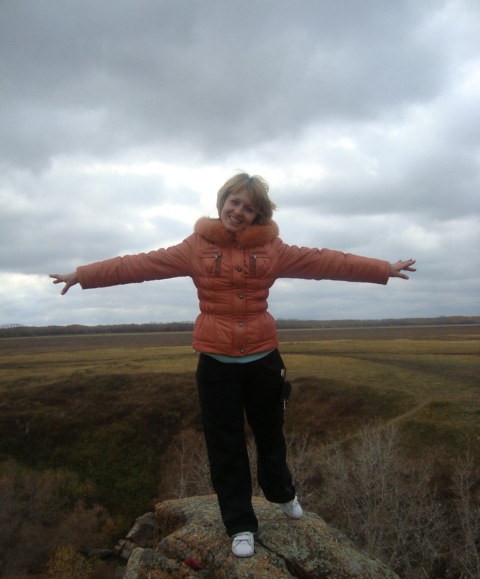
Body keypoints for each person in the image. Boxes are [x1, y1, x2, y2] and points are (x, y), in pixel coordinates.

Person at [50, 172, 416, 558]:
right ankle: (240, 524)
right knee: (225, 445)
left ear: (258, 215)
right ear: (222, 201)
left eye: (249, 208)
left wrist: (383, 268)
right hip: (216, 364)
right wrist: (83, 275)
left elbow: (326, 262)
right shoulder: (195, 247)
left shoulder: (273, 249)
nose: (239, 211)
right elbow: (139, 265)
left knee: (270, 434)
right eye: (234, 202)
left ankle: (282, 493)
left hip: (263, 358)